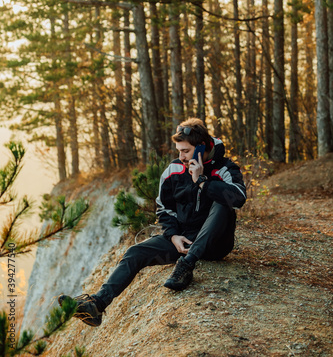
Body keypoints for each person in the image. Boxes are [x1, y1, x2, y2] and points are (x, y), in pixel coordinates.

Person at [58, 118, 246, 326]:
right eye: (178, 150)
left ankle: (186, 265)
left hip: (216, 244)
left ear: (201, 148)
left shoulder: (224, 168)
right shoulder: (173, 170)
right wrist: (173, 236)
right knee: (134, 253)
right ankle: (97, 304)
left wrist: (202, 181)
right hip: (183, 241)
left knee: (223, 203)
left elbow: (238, 199)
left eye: (185, 151)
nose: (180, 156)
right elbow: (163, 208)